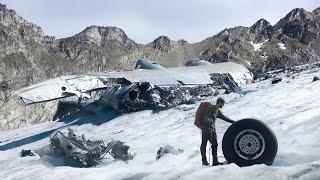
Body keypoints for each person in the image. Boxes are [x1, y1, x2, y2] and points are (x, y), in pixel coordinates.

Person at [200, 97, 235, 166]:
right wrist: (210, 121)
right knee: (204, 144)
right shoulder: (211, 108)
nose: (223, 105)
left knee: (215, 145)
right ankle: (204, 161)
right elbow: (206, 118)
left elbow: (224, 118)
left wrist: (234, 122)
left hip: (212, 130)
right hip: (206, 129)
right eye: (223, 104)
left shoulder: (217, 111)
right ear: (219, 103)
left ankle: (215, 162)